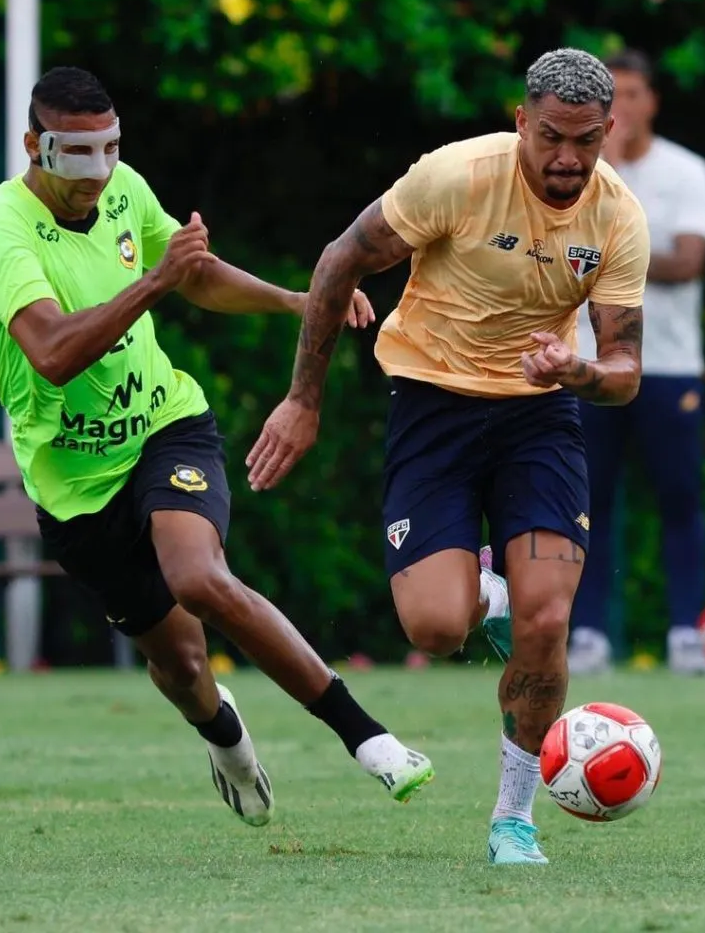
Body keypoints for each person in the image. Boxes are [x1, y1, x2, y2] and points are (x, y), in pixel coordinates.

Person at [0, 66, 434, 829]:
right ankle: (225, 737)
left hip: (165, 426)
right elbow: (51, 352)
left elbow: (198, 277)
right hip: (74, 486)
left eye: (109, 149)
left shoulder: (123, 189)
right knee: (180, 666)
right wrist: (158, 280)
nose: (97, 172)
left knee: (200, 578)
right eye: (75, 154)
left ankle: (367, 737)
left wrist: (298, 301)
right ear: (32, 147)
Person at [248, 48, 650, 865]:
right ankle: (488, 596)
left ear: (609, 131)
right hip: (433, 403)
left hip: (540, 415)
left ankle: (513, 820)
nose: (567, 158)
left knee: (548, 619)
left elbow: (624, 371)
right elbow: (341, 260)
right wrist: (303, 399)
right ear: (521, 122)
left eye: (585, 141)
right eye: (550, 137)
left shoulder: (618, 217)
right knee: (435, 626)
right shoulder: (455, 178)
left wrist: (575, 372)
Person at [569, 49, 705, 676]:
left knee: (679, 498)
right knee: (587, 502)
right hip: (588, 361)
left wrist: (615, 253)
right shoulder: (577, 172)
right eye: (613, 96)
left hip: (669, 364)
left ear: (651, 100)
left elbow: (688, 262)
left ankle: (686, 631)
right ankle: (587, 634)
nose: (623, 107)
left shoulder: (686, 170)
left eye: (632, 93)